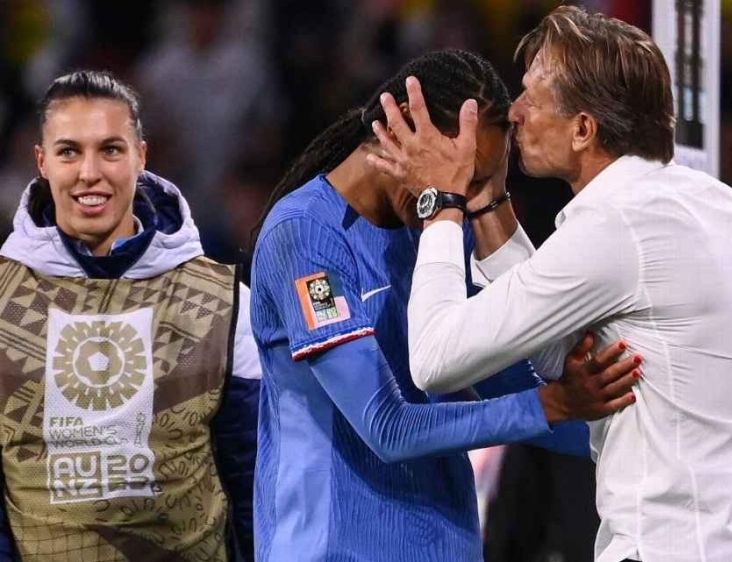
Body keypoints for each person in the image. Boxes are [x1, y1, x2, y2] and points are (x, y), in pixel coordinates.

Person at [367, 6, 732, 562]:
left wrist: (443, 201)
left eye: (533, 96)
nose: (514, 112)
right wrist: (488, 201)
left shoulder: (615, 227)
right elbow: (552, 330)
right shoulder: (713, 200)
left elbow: (436, 356)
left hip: (681, 547)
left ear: (584, 129)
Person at [250, 49, 638, 562]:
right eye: (468, 182)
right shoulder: (303, 235)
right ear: (401, 131)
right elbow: (386, 426)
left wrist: (609, 405)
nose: (471, 201)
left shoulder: (441, 230)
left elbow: (511, 387)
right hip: (332, 549)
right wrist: (554, 404)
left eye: (485, 185)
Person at [0, 70, 259, 561]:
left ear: (142, 156)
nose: (89, 172)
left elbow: (253, 484)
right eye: (69, 151)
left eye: (111, 149)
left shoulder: (226, 300)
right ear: (42, 163)